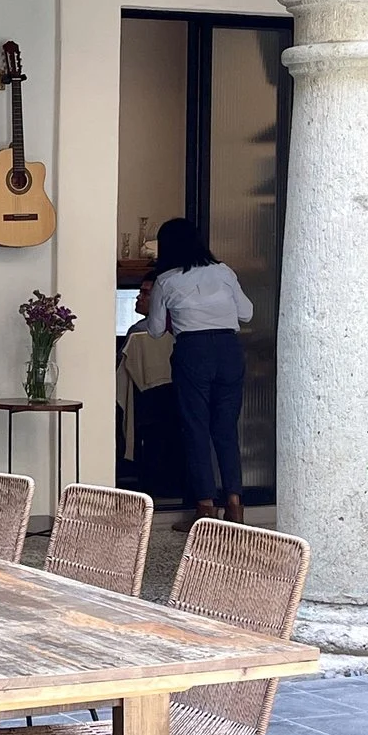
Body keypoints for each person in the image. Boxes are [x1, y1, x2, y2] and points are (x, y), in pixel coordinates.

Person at [140, 217, 253, 529]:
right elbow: (246, 313)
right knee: (226, 428)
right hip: (229, 350)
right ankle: (235, 505)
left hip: (193, 351)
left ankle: (205, 507)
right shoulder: (223, 271)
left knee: (196, 428)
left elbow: (154, 330)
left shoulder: (166, 281)